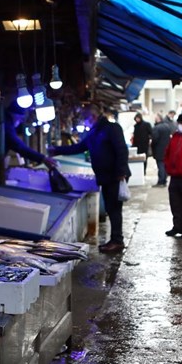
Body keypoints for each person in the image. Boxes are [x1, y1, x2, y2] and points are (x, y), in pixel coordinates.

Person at [49, 103, 131, 253]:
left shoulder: (112, 128)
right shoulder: (95, 132)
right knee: (111, 209)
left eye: (85, 118)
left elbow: (122, 150)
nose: (84, 121)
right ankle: (115, 240)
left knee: (114, 209)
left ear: (93, 117)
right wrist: (56, 150)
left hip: (115, 176)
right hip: (106, 177)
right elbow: (78, 147)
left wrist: (121, 173)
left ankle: (117, 241)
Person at [0, 107, 56, 175]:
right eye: (21, 118)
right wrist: (43, 158)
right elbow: (18, 145)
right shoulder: (5, 123)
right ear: (16, 115)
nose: (21, 121)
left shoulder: (1, 119)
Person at [150, 111, 176, 187]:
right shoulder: (167, 126)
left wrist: (152, 145)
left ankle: (161, 181)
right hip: (166, 149)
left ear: (158, 119)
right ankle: (164, 180)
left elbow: (154, 139)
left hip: (158, 150)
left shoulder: (156, 128)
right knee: (164, 165)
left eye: (155, 118)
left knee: (160, 166)